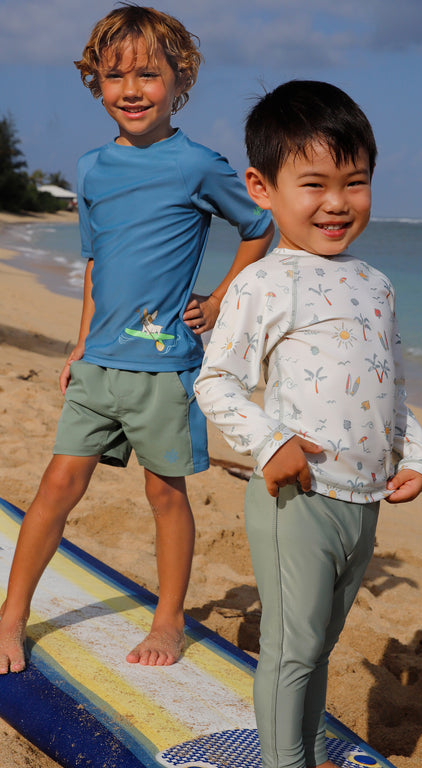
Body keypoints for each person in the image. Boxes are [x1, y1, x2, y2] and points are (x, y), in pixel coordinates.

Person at [0, 4, 274, 674]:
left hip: (164, 367)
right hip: (98, 363)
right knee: (56, 486)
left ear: (181, 81)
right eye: (114, 75)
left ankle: (169, 619)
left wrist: (217, 300)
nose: (131, 89)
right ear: (96, 84)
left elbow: (259, 227)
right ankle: (10, 619)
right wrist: (77, 343)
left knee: (164, 493)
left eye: (149, 75)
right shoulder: (91, 169)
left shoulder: (199, 165)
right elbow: (95, 264)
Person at [194, 80, 422, 768]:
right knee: (290, 648)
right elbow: (217, 384)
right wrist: (270, 444)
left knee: (318, 646)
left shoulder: (376, 285)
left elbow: (387, 389)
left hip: (364, 501)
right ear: (263, 188)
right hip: (295, 496)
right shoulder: (265, 284)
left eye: (355, 183)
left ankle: (308, 760)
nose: (337, 202)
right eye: (315, 184)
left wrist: (415, 455)